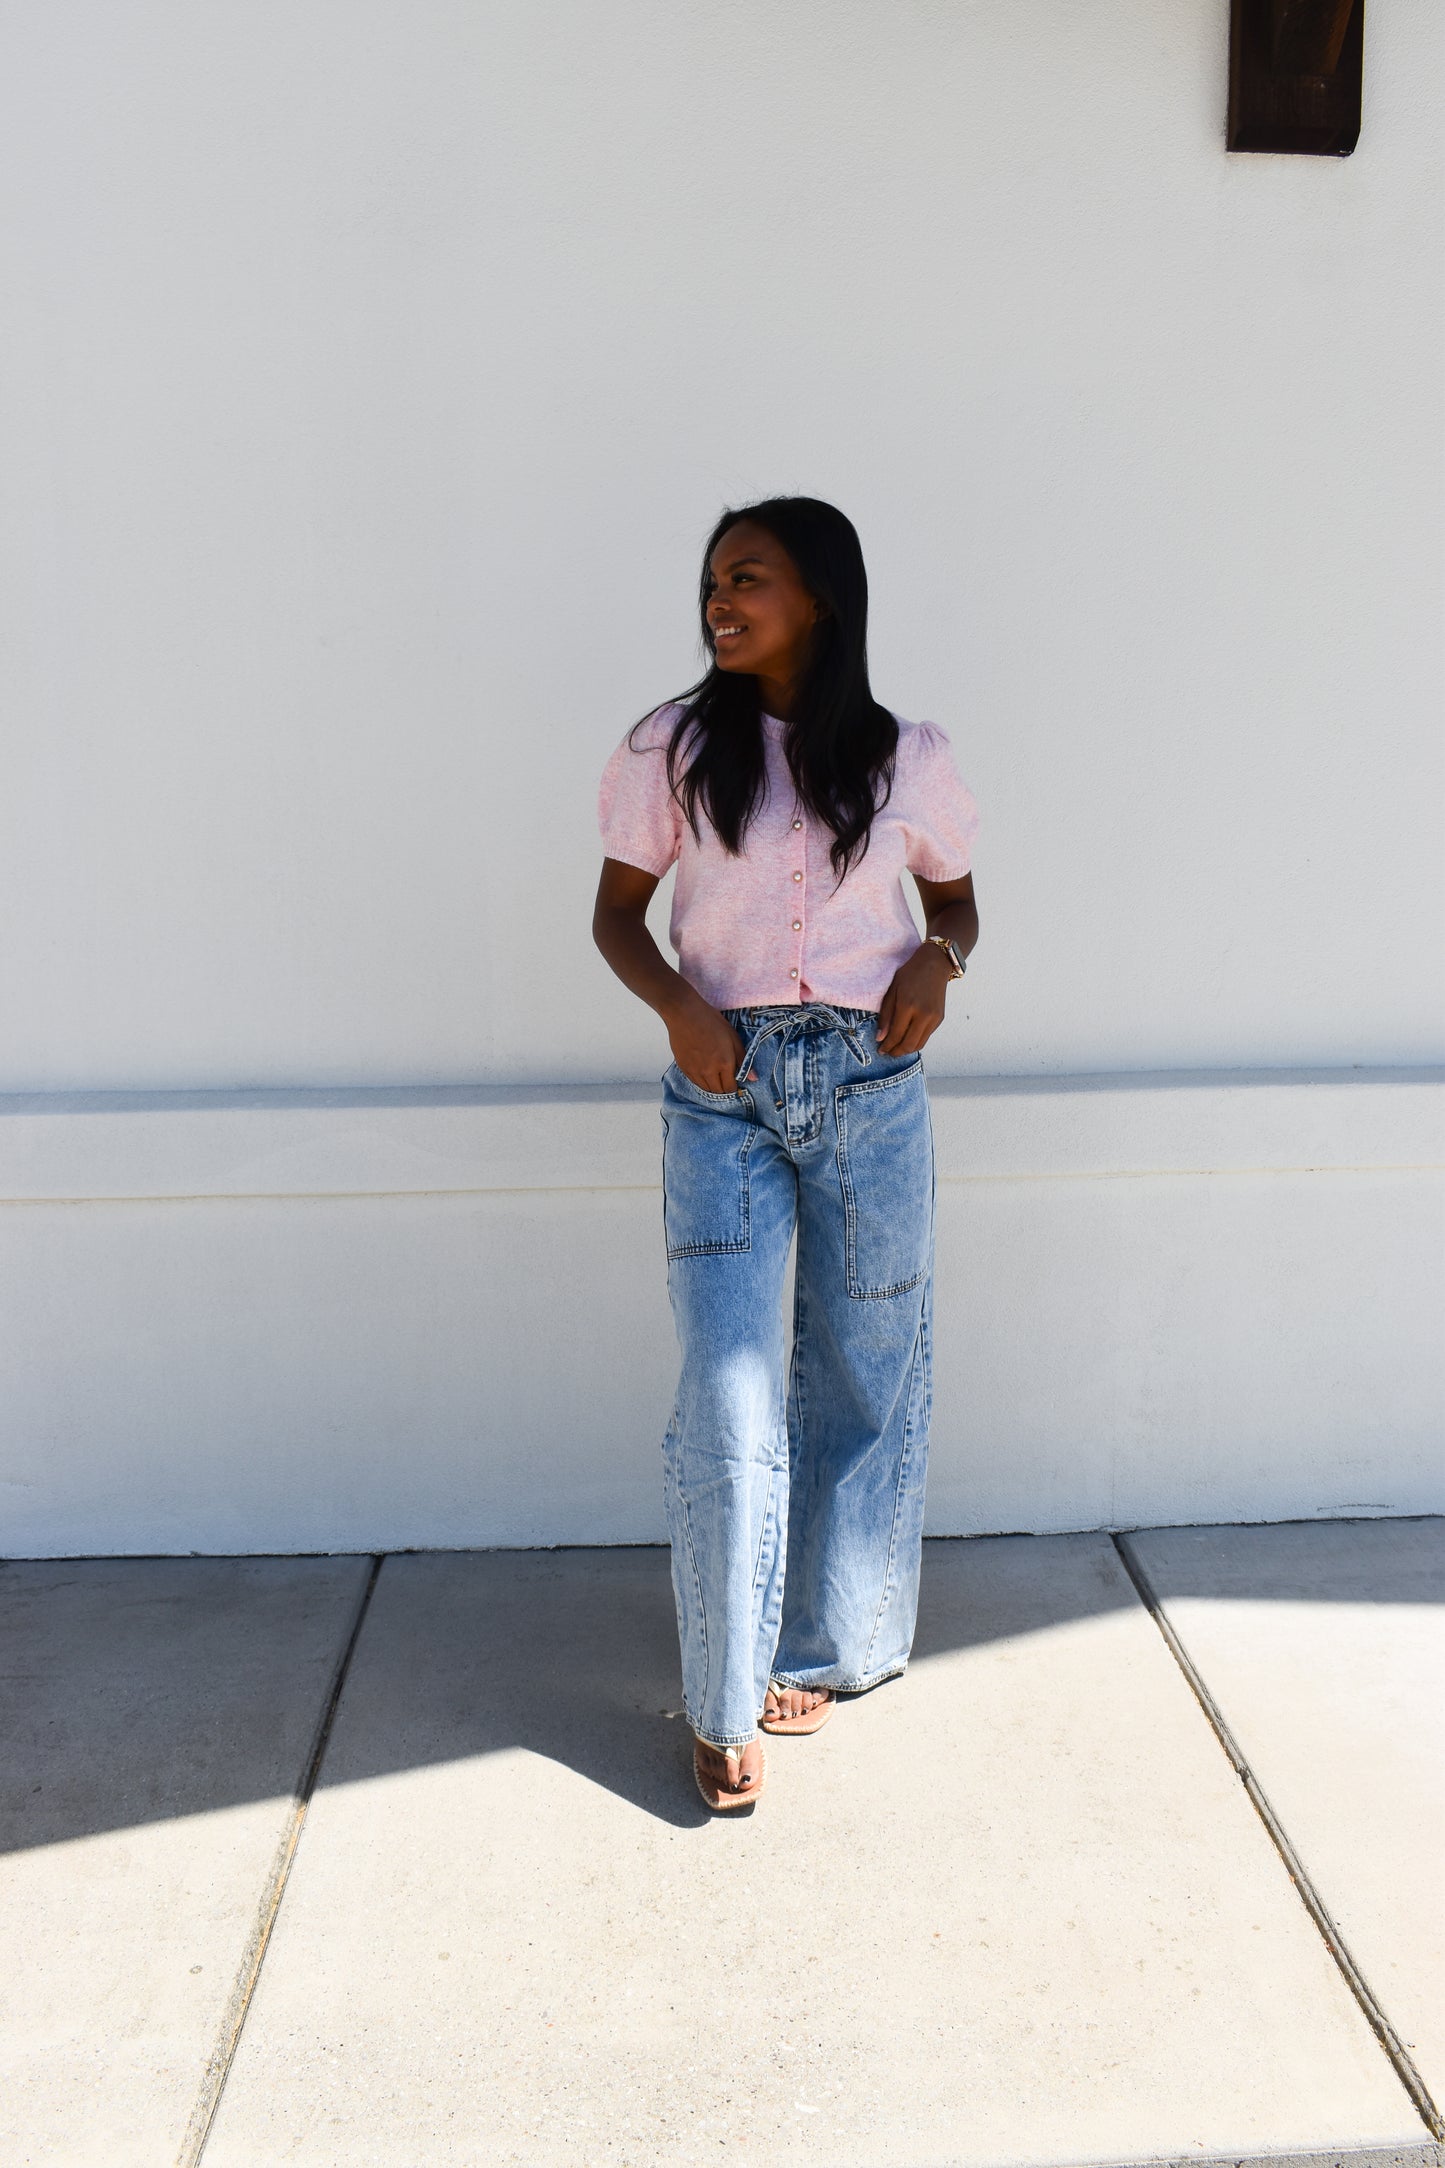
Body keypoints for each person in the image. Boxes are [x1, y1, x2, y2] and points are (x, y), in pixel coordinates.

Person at [592, 497, 979, 1810]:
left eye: (746, 576)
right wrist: (680, 1009)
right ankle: (719, 1695)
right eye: (710, 578)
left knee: (868, 1361)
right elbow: (614, 920)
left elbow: (957, 899)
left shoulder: (906, 755)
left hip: (874, 1085)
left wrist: (943, 955)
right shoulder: (670, 747)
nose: (719, 596)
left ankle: (829, 1646)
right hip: (722, 1088)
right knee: (730, 1382)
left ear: (817, 593)